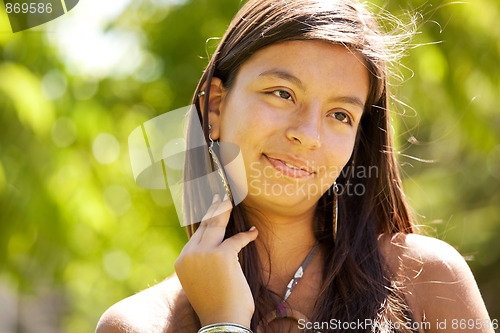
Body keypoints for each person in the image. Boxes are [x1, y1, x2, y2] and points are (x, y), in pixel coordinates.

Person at [96, 0, 494, 332]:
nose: (308, 134)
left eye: (340, 115)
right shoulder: (141, 324)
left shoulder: (428, 281)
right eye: (282, 93)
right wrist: (223, 324)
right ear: (215, 106)